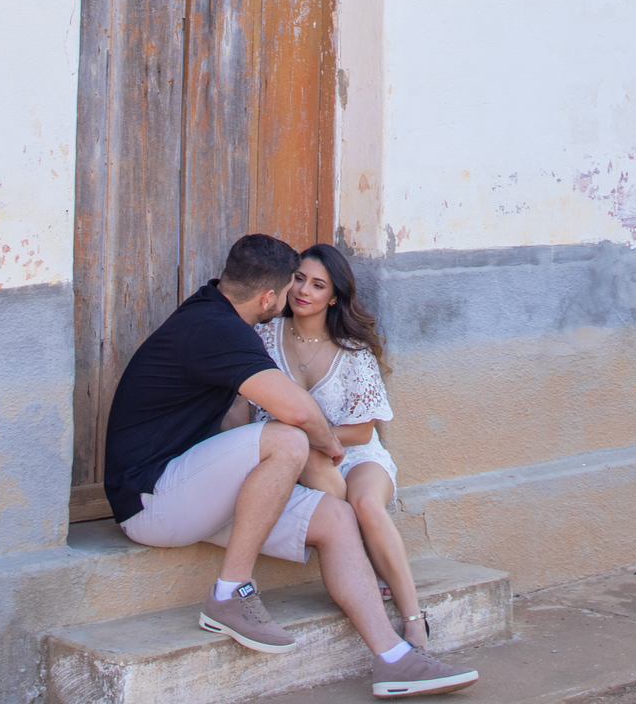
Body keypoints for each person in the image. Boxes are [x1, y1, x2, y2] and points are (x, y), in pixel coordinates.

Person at [103, 233, 478, 697]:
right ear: (268, 297)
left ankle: (393, 658)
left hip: (191, 491)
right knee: (289, 439)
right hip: (149, 498)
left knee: (337, 517)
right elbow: (298, 413)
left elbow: (235, 422)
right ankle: (230, 593)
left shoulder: (215, 314)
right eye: (289, 287)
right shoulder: (217, 329)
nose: (293, 297)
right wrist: (330, 449)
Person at [248, 244, 430, 652]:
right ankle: (363, 567)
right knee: (309, 456)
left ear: (333, 296)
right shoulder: (262, 336)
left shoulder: (351, 350)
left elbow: (364, 431)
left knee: (366, 505)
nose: (303, 291)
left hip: (358, 457)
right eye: (298, 279)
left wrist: (316, 432)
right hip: (303, 459)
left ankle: (414, 617)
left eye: (317, 284)